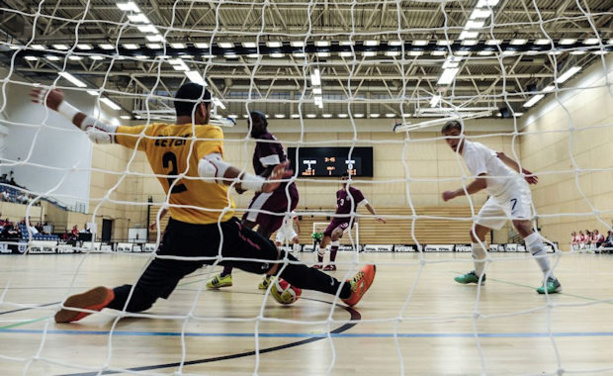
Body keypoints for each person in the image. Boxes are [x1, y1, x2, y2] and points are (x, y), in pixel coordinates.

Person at [30, 83, 375, 324]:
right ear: (201, 108)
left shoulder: (153, 132)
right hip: (219, 230)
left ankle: (108, 296)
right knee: (279, 261)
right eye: (209, 107)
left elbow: (98, 130)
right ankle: (346, 291)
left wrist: (59, 104)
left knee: (144, 296)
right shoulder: (206, 132)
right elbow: (211, 168)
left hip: (179, 235)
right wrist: (259, 182)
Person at [440, 120, 561, 294]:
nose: (451, 140)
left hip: (513, 189)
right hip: (497, 196)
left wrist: (454, 193)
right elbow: (500, 155)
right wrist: (522, 169)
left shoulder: (471, 150)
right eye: (447, 138)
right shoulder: (473, 149)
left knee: (521, 225)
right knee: (476, 232)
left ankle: (551, 278)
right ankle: (478, 274)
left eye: (454, 134)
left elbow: (481, 183)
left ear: (463, 133)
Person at [206, 111, 300, 290]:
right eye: (250, 122)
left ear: (265, 122)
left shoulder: (264, 139)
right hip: (290, 194)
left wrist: (244, 184)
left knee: (241, 229)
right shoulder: (270, 139)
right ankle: (271, 276)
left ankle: (226, 274)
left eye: (257, 121)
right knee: (263, 236)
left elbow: (273, 169)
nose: (253, 125)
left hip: (274, 191)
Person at [317, 173, 386, 271]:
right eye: (343, 179)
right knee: (323, 241)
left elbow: (367, 205)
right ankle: (319, 264)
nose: (345, 181)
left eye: (347, 179)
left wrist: (376, 215)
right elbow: (338, 207)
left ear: (351, 180)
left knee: (334, 234)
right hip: (336, 220)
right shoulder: (338, 193)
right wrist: (333, 219)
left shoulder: (356, 192)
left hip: (347, 220)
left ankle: (332, 264)